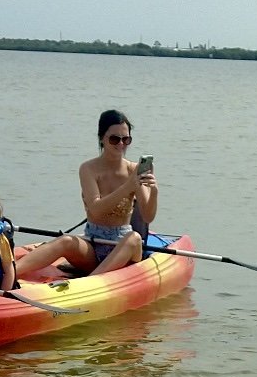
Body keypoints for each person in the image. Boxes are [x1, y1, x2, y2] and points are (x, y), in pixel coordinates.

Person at [14, 111, 158, 281]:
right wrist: (128, 187)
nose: (121, 144)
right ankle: (9, 272)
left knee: (134, 238)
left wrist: (154, 191)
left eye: (125, 139)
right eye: (114, 139)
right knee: (66, 241)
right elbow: (95, 210)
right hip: (93, 243)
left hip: (124, 247)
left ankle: (91, 282)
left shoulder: (133, 170)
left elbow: (148, 216)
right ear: (102, 138)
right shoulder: (88, 169)